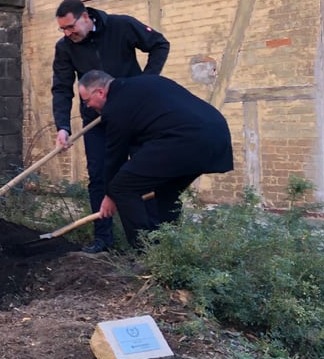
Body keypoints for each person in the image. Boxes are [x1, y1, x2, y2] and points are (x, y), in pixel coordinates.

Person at [52, 0, 169, 253]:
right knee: (99, 176)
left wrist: (144, 84)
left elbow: (160, 44)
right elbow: (61, 88)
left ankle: (153, 242)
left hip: (135, 116)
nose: (67, 33)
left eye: (70, 27)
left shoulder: (121, 26)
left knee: (143, 173)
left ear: (85, 17)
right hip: (97, 121)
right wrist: (63, 126)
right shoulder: (65, 48)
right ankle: (103, 239)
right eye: (63, 29)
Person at [78, 70, 233, 248]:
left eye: (86, 101)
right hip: (216, 134)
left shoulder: (116, 106)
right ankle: (168, 250)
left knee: (122, 188)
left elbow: (115, 156)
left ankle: (145, 254)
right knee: (166, 192)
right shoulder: (145, 84)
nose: (87, 106)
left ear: (100, 92)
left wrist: (110, 194)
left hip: (185, 139)